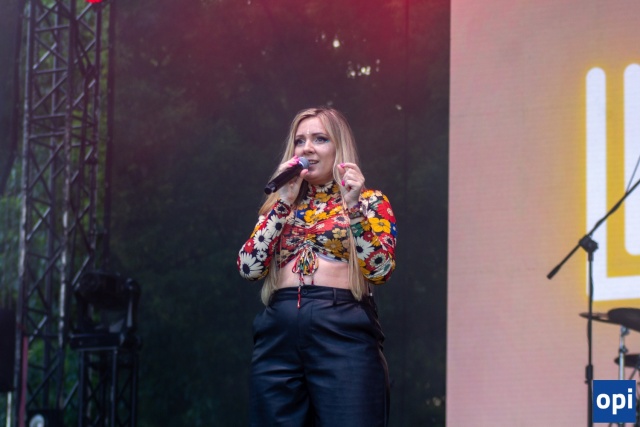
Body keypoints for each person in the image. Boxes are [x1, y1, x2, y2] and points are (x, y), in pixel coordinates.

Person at [237, 107, 397, 426]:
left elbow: (380, 271)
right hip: (279, 330)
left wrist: (353, 208)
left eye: (320, 139)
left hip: (341, 326)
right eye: (300, 141)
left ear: (339, 148)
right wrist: (282, 202)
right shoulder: (279, 204)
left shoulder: (370, 201)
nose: (307, 148)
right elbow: (248, 267)